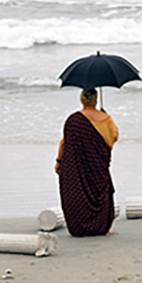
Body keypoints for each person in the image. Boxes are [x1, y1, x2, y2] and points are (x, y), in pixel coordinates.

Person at [55, 88, 119, 237]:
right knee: (99, 193)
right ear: (96, 99)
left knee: (77, 192)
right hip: (97, 165)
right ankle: (101, 227)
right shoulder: (106, 119)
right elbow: (113, 137)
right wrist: (104, 115)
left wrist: (59, 161)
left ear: (81, 100)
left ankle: (79, 227)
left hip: (76, 167)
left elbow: (64, 142)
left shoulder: (73, 120)